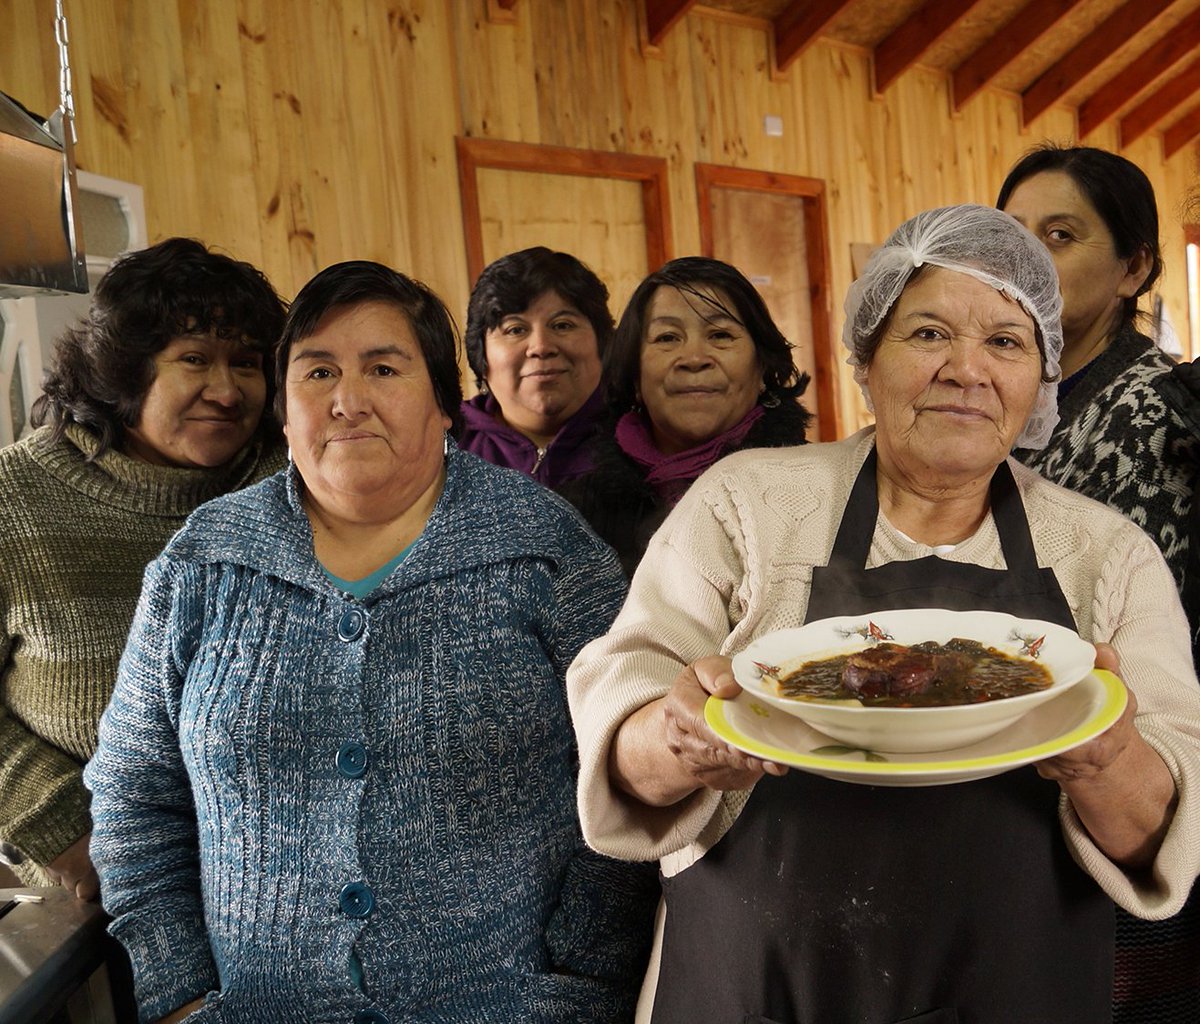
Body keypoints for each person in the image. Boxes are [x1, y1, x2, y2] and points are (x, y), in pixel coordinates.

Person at [567, 205, 1200, 1024]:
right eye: (929, 333)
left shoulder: (1106, 555)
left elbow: (1166, 828)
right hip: (757, 991)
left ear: (1039, 375)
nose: (966, 370)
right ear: (866, 356)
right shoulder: (748, 505)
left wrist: (1103, 757)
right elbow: (624, 726)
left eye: (1005, 342)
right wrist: (678, 740)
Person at [85, 261, 657, 1024]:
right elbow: (134, 794)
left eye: (383, 368)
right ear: (286, 411)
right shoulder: (205, 561)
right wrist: (181, 996)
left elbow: (627, 768)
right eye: (317, 371)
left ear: (443, 404)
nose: (347, 401)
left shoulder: (546, 548)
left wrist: (579, 986)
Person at [0, 237, 285, 900]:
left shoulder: (291, 485)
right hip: (98, 890)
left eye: (246, 363)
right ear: (122, 369)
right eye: (195, 360)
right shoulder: (14, 501)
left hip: (286, 886)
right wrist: (71, 831)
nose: (225, 389)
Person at [998, 145, 1200, 1024]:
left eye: (1061, 234)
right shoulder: (999, 400)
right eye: (1011, 236)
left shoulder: (1166, 413)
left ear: (1136, 268)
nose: (1029, 257)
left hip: (1124, 786)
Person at [560, 257, 811, 577]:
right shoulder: (576, 516)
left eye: (720, 335)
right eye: (667, 338)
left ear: (762, 368)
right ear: (634, 376)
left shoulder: (817, 493)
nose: (694, 359)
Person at [459, 246, 612, 487]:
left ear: (602, 344)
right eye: (515, 330)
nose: (541, 347)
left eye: (562, 325)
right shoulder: (442, 450)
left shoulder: (645, 438)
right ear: (481, 356)